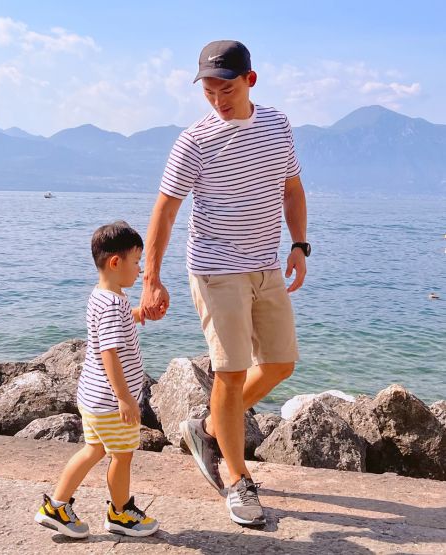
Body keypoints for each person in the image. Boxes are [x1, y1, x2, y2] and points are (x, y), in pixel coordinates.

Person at [140, 40, 310, 527]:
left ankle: (209, 426)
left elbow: (291, 187)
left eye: (227, 88)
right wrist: (151, 280)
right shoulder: (194, 141)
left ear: (250, 81)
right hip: (215, 269)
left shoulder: (277, 124)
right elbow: (165, 211)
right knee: (231, 375)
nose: (218, 100)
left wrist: (299, 245)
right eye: (209, 91)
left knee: (279, 363)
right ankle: (237, 481)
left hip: (266, 266)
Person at [35, 221, 159, 538]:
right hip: (110, 402)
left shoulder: (102, 297)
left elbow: (110, 328)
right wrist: (125, 398)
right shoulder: (114, 304)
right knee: (122, 455)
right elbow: (110, 353)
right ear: (116, 262)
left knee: (93, 450)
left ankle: (56, 506)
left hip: (92, 397)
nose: (139, 268)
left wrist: (138, 314)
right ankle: (120, 513)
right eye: (136, 261)